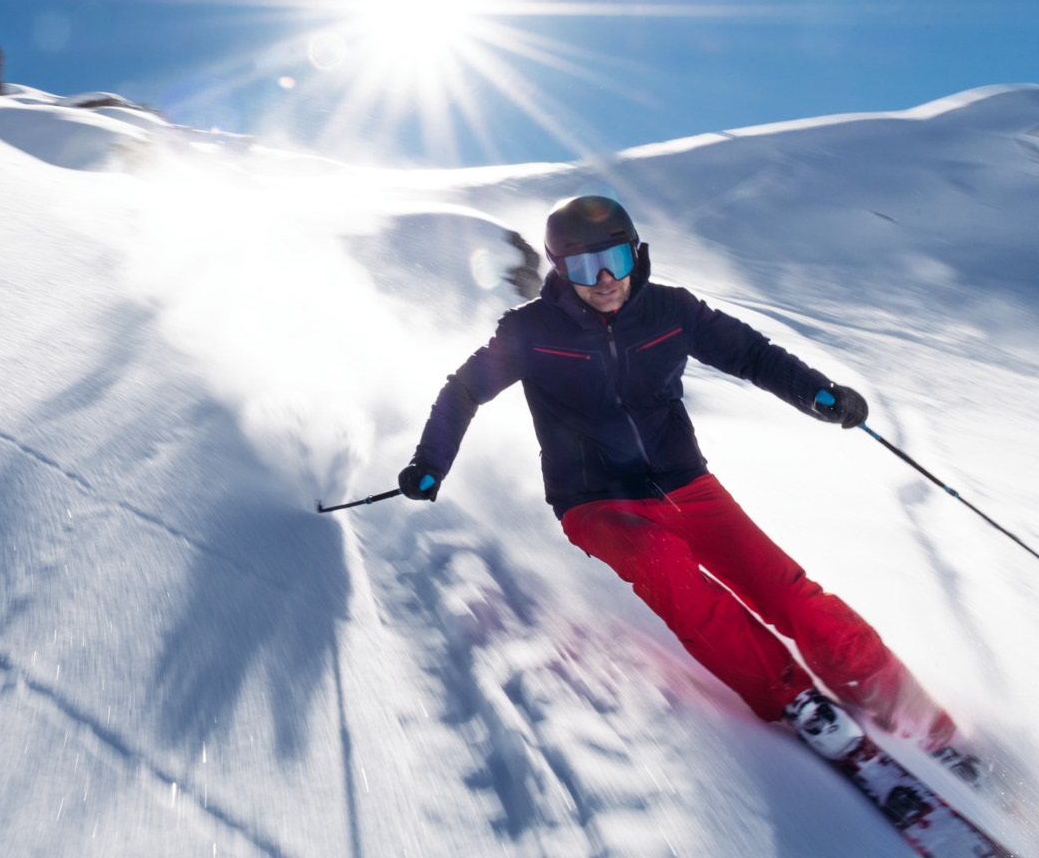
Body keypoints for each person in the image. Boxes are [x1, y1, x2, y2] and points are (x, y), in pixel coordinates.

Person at [396, 194, 962, 766]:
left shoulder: (672, 310)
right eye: (586, 268)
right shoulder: (529, 331)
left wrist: (818, 393)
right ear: (561, 270)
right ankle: (793, 700)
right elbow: (464, 389)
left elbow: (752, 354)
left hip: (686, 484)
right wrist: (430, 461)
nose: (607, 279)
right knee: (674, 576)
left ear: (636, 252)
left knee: (787, 590)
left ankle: (896, 699)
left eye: (615, 257)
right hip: (595, 502)